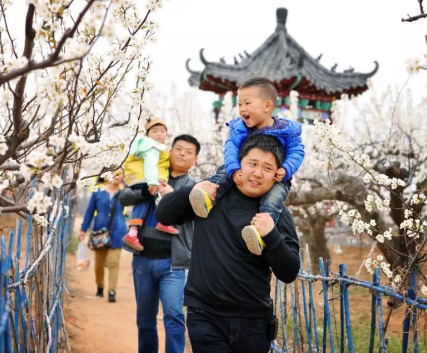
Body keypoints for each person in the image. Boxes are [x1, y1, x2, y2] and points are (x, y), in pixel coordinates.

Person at [156, 134, 300, 353]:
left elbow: (289, 271)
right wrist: (194, 189)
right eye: (252, 164)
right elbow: (164, 214)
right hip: (205, 316)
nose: (258, 173)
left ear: (277, 176)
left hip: (254, 322)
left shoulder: (276, 214)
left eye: (267, 168)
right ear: (238, 165)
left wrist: (271, 235)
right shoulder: (210, 198)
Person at [189, 77, 304, 255]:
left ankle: (259, 233)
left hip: (276, 177)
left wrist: (287, 168)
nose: (242, 109)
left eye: (247, 103)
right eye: (239, 104)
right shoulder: (240, 128)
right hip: (242, 168)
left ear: (267, 106)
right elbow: (231, 148)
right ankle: (208, 197)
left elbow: (297, 151)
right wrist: (234, 169)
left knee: (273, 201)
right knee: (223, 173)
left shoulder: (287, 130)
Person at [130, 134, 201, 353]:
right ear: (169, 151)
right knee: (145, 318)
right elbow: (125, 196)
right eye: (178, 149)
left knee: (174, 316)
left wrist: (175, 196)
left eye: (188, 152)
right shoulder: (152, 173)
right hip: (142, 260)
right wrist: (146, 189)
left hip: (173, 263)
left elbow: (199, 215)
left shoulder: (195, 188)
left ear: (195, 160)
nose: (182, 154)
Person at [122, 117, 179, 252]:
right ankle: (163, 222)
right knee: (161, 194)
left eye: (162, 131)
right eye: (155, 131)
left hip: (138, 177)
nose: (159, 134)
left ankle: (132, 233)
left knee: (144, 202)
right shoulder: (150, 146)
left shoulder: (146, 145)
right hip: (145, 178)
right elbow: (150, 164)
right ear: (147, 133)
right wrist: (153, 182)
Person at [78, 169, 127, 303]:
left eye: (120, 174)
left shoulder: (124, 194)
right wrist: (83, 229)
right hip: (100, 231)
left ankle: (112, 291)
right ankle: (100, 287)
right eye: (114, 173)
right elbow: (89, 212)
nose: (117, 176)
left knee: (113, 262)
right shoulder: (98, 193)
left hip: (118, 231)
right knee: (99, 263)